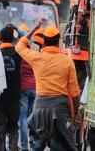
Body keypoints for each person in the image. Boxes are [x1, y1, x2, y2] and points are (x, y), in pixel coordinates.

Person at [15, 20, 80, 150]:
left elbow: (19, 46)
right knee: (60, 146)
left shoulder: (36, 57)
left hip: (40, 108)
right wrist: (75, 114)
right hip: (60, 109)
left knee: (37, 146)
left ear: (44, 42)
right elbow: (74, 93)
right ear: (58, 41)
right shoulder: (67, 61)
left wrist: (35, 27)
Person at [0, 26, 21, 151]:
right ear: (14, 38)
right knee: (13, 127)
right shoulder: (18, 52)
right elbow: (24, 40)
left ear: (0, 39)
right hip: (14, 96)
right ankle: (13, 148)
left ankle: (0, 148)